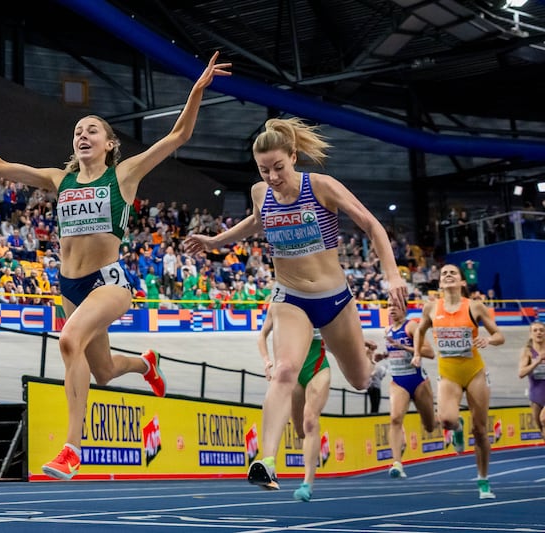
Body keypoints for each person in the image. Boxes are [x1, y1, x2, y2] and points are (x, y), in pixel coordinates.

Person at [0, 53, 231, 481]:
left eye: (92, 130)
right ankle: (146, 364)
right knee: (104, 372)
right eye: (77, 131)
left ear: (109, 143)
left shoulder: (124, 174)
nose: (82, 135)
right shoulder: (58, 179)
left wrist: (197, 91)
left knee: (69, 341)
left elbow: (178, 135)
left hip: (108, 283)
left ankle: (72, 448)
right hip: (68, 286)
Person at [184, 117, 406, 489]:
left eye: (278, 168)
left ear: (294, 156)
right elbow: (255, 224)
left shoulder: (321, 187)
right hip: (290, 296)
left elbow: (372, 225)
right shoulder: (260, 192)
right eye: (263, 170)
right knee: (285, 370)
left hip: (334, 299)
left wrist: (393, 274)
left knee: (359, 379)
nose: (271, 177)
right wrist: (214, 242)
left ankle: (372, 363)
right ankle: (265, 461)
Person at [413, 263, 504, 499]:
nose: (448, 275)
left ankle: (483, 480)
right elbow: (419, 331)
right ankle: (457, 428)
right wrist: (416, 353)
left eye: (453, 272)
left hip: (474, 372)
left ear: (463, 282)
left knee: (481, 430)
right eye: (444, 273)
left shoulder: (474, 306)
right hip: (449, 374)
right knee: (446, 419)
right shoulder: (431, 308)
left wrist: (488, 341)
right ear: (440, 282)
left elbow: (499, 335)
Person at [257, 310, 329, 502]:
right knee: (300, 430)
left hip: (318, 366)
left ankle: (307, 483)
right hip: (294, 372)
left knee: (310, 421)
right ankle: (269, 464)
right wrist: (267, 362)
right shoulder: (279, 301)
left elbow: (337, 335)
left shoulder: (321, 297)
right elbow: (262, 335)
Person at [373, 300, 436, 478]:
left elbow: (430, 353)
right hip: (398, 381)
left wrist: (404, 347)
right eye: (389, 306)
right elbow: (395, 352)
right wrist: (383, 355)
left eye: (396, 306)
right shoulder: (387, 330)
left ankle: (445, 421)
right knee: (395, 419)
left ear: (404, 310)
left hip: (418, 380)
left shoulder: (412, 326)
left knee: (430, 426)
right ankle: (397, 464)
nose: (391, 309)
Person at [518, 321, 545, 441]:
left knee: (543, 418)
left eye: (541, 330)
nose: (538, 332)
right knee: (542, 429)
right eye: (535, 330)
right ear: (530, 334)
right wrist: (536, 362)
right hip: (536, 396)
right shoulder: (527, 352)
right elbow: (521, 373)